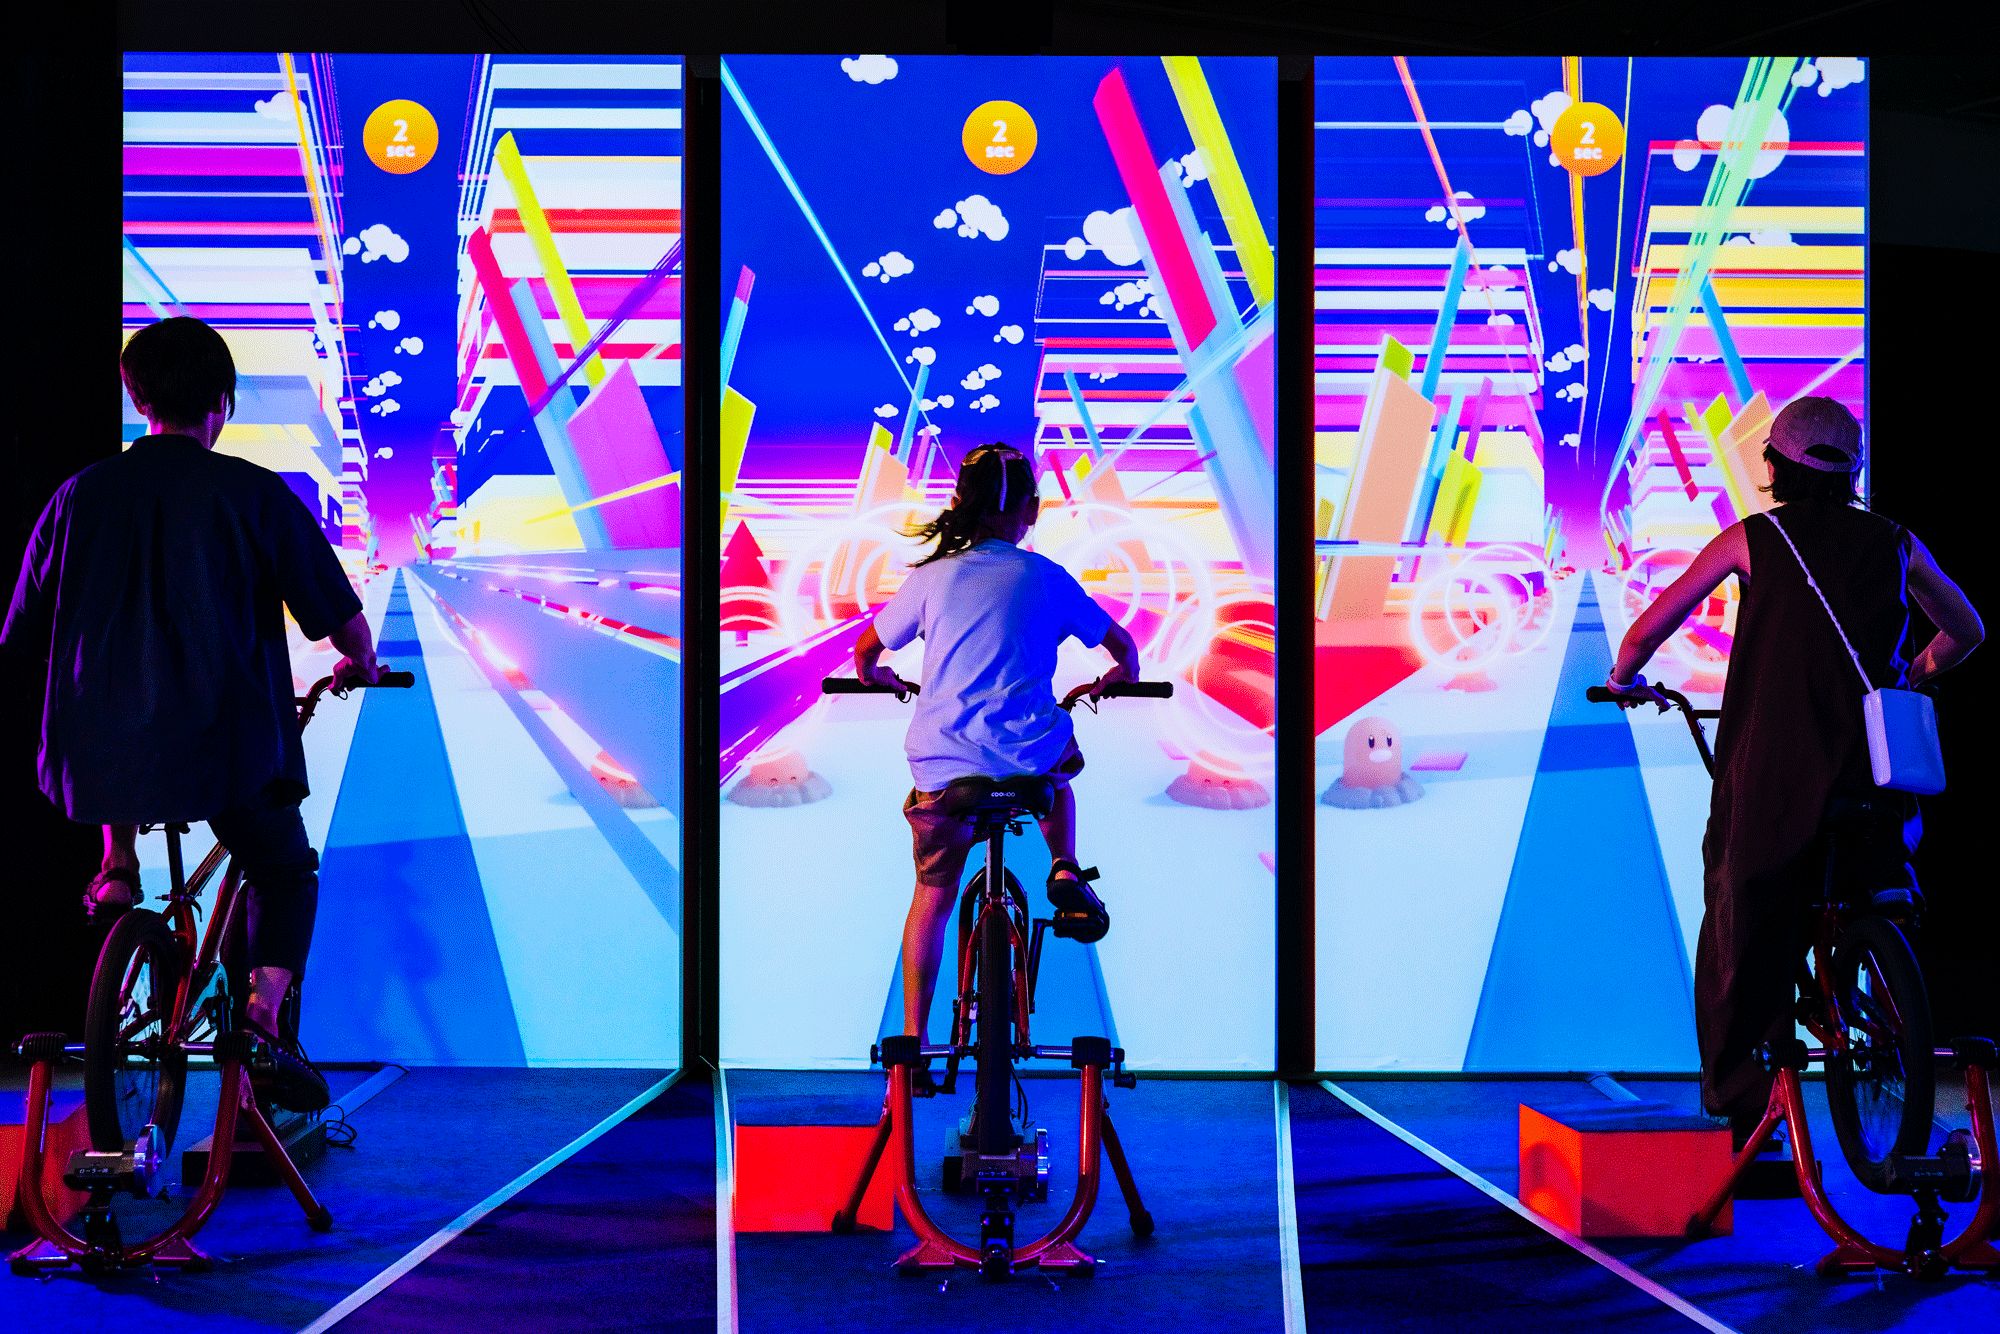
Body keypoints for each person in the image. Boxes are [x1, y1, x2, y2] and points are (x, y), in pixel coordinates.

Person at [1, 317, 383, 1111]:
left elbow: (21, 630)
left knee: (112, 736)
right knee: (284, 870)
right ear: (221, 402)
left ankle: (117, 865)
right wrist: (362, 661)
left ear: (137, 398)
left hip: (95, 751)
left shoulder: (78, 495)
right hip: (223, 744)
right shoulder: (252, 492)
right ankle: (263, 1021)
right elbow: (338, 613)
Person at [1605, 396, 1983, 1144]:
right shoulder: (1896, 541)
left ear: (1775, 465)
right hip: (1873, 771)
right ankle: (1876, 980)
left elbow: (1650, 628)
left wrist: (1624, 678)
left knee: (1742, 922)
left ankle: (1746, 1104)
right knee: (1880, 887)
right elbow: (1966, 630)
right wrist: (1912, 672)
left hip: (1775, 771)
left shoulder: (1753, 537)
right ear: (1853, 470)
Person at [853, 443, 1141, 1065]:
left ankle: (912, 1042)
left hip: (945, 767)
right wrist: (1118, 677)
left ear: (960, 503)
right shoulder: (1046, 577)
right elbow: (1123, 646)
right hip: (1027, 758)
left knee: (933, 895)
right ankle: (1064, 865)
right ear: (1032, 511)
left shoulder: (932, 578)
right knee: (1058, 770)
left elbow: (867, 651)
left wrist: (878, 677)